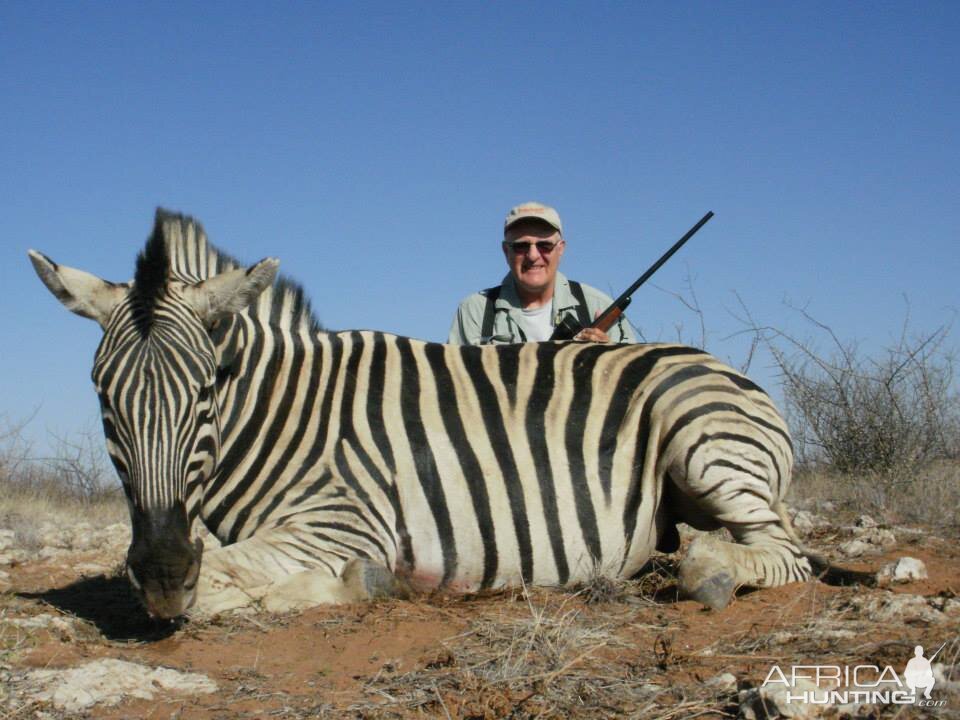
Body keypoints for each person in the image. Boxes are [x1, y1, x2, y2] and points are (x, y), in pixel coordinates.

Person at [448, 201, 635, 345]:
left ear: (560, 249)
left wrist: (607, 356)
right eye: (521, 246)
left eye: (544, 245)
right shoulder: (474, 311)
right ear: (506, 251)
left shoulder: (598, 306)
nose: (533, 255)